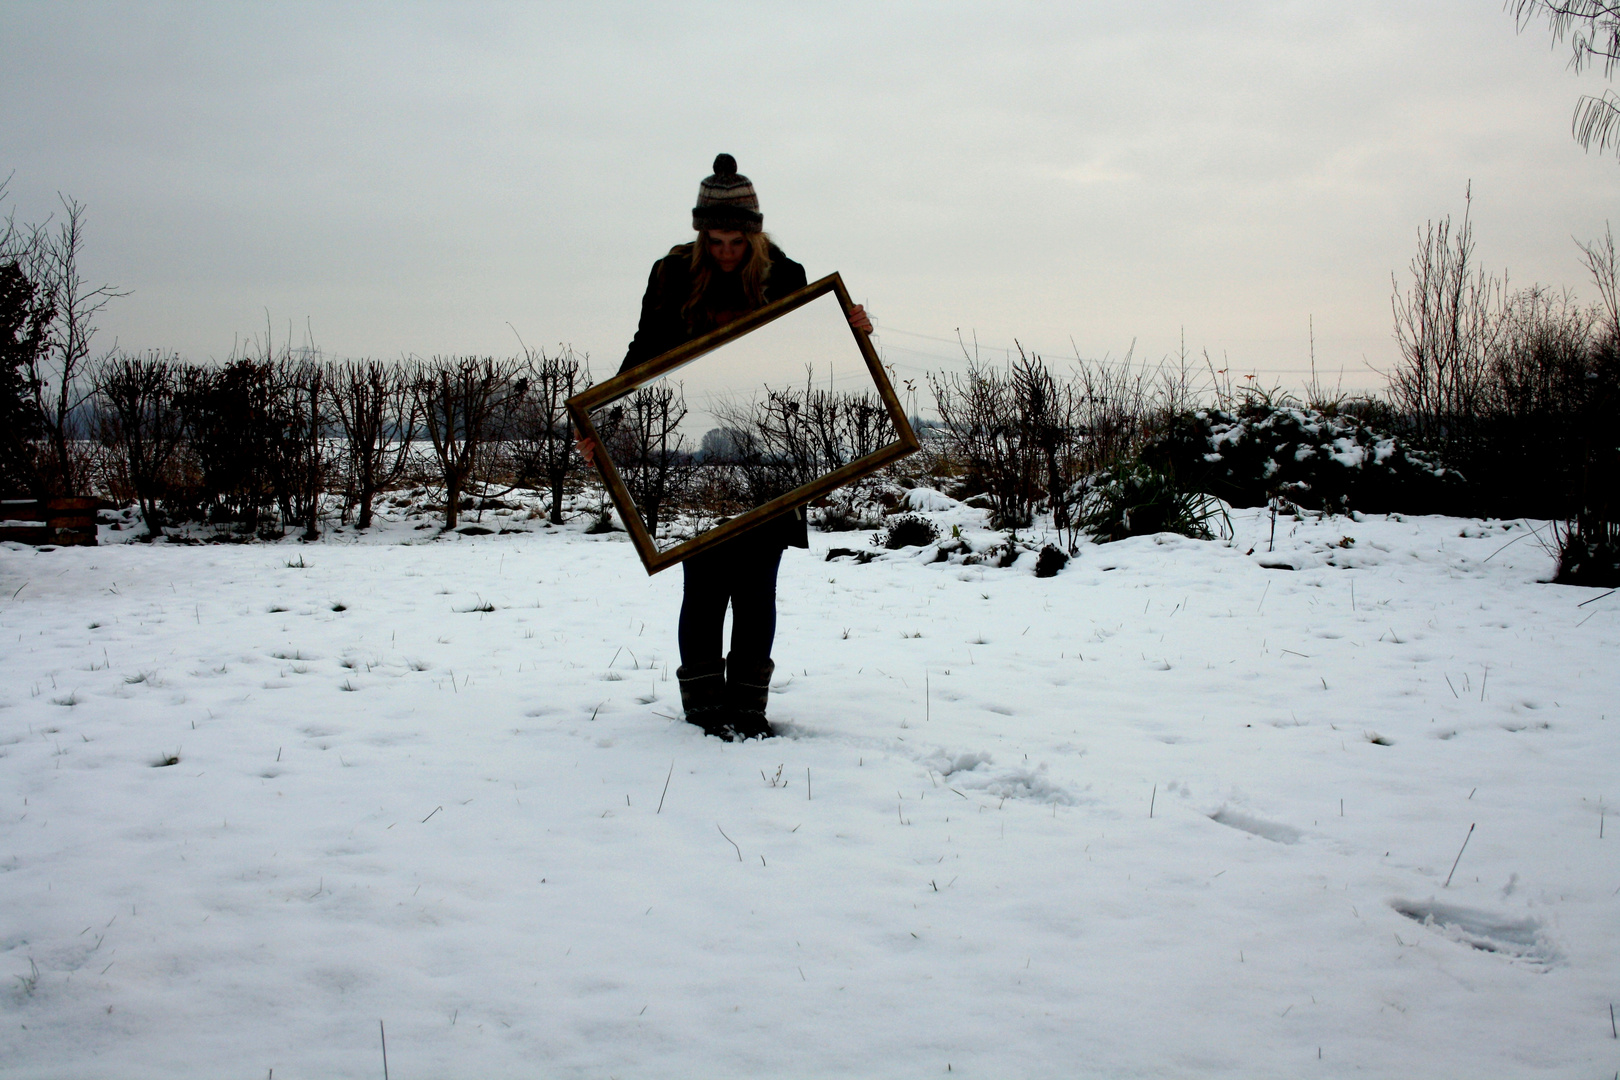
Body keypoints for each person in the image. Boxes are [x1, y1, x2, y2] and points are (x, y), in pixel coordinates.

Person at [579, 154, 871, 741]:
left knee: (758, 587)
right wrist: (600, 427)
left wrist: (854, 331)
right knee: (705, 585)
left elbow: (813, 353)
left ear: (754, 235)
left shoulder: (785, 275)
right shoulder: (671, 274)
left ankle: (749, 707)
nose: (726, 251)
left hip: (770, 458)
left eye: (737, 240)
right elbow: (644, 352)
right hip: (699, 460)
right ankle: (704, 708)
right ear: (700, 234)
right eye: (715, 240)